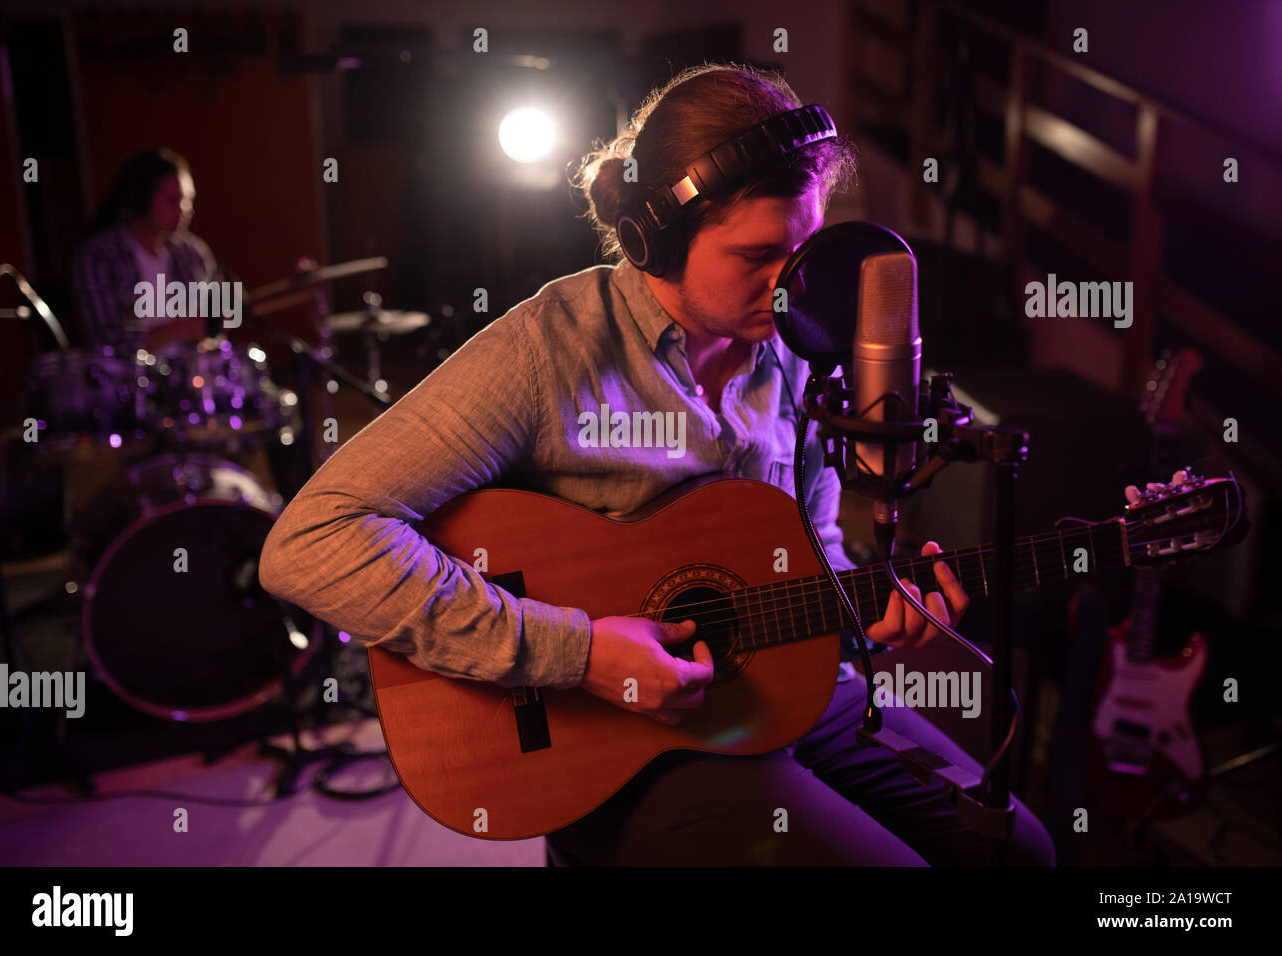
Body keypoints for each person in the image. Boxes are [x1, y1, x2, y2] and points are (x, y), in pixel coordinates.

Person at [258, 63, 1056, 866]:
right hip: (614, 736)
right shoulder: (548, 352)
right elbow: (312, 543)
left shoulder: (792, 349)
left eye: (803, 250)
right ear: (658, 239)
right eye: (757, 256)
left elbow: (806, 545)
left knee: (1018, 850)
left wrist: (872, 608)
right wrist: (578, 653)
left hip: (779, 690)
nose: (789, 288)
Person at [72, 147, 216, 353]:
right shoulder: (99, 257)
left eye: (188, 200)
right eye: (172, 200)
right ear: (141, 200)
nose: (184, 209)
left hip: (190, 377)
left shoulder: (193, 253)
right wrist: (181, 329)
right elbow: (106, 343)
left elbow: (209, 330)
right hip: (127, 382)